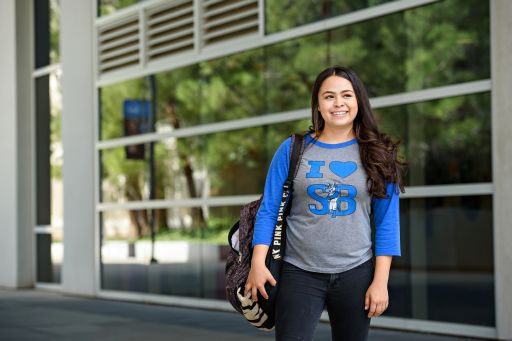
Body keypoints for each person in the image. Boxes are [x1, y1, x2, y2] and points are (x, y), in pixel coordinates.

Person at [244, 65, 406, 341]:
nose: (339, 103)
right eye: (329, 96)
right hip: (299, 272)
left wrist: (380, 281)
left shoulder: (378, 154)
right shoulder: (293, 149)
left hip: (356, 273)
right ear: (318, 105)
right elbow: (269, 210)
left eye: (347, 95)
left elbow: (386, 222)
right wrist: (258, 263)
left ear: (358, 102)